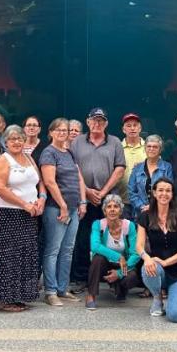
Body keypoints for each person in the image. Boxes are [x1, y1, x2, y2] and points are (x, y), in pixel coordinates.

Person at [68, 108, 126, 292]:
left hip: (108, 199)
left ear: (106, 123)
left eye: (101, 120)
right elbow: (72, 168)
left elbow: (120, 169)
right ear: (88, 121)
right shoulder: (77, 142)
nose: (97, 123)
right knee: (82, 237)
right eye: (94, 120)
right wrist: (86, 191)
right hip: (83, 197)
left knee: (111, 238)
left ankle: (112, 278)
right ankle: (82, 278)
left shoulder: (115, 142)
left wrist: (103, 192)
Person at [0, 126, 46, 312]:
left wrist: (41, 199)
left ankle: (21, 296)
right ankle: (4, 299)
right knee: (9, 255)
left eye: (20, 138)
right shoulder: (3, 160)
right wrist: (25, 204)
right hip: (10, 213)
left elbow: (40, 182)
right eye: (12, 139)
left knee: (26, 254)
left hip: (30, 213)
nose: (16, 142)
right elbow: (0, 189)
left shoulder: (29, 158)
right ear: (5, 142)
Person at [40, 118, 87, 307]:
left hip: (75, 207)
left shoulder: (69, 152)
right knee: (53, 250)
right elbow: (50, 182)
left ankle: (62, 288)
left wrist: (82, 201)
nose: (62, 133)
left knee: (67, 251)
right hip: (56, 208)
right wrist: (63, 205)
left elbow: (79, 178)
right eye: (58, 130)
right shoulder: (48, 153)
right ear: (51, 132)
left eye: (65, 130)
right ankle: (50, 291)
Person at [136, 178, 177, 323]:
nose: (164, 194)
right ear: (154, 193)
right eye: (160, 190)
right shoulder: (145, 216)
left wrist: (166, 262)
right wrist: (147, 257)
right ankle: (157, 297)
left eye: (168, 190)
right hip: (158, 269)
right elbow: (139, 245)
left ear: (172, 194)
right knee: (147, 267)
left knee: (175, 316)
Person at [85, 195, 142, 310]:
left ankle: (121, 288)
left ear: (120, 210)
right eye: (109, 207)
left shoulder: (129, 226)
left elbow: (135, 253)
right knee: (98, 258)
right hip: (105, 265)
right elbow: (95, 246)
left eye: (116, 206)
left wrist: (119, 273)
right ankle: (91, 296)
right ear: (104, 211)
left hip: (123, 265)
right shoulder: (98, 224)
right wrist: (118, 257)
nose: (112, 209)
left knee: (131, 277)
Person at [128, 135, 173, 220]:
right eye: (149, 146)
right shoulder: (137, 169)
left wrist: (154, 207)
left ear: (160, 150)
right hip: (141, 214)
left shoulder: (167, 167)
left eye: (155, 147)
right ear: (145, 148)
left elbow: (169, 190)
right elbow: (131, 192)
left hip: (161, 214)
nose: (151, 149)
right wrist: (142, 207)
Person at [119, 113, 146, 206]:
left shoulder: (150, 147)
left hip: (145, 203)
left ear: (140, 128)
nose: (132, 128)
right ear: (123, 129)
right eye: (129, 126)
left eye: (135, 125)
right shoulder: (117, 148)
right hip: (122, 202)